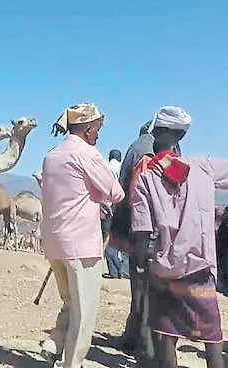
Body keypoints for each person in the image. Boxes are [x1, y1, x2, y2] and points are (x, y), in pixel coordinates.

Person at [131, 106, 226, 368]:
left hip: (165, 271)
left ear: (156, 132)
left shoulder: (145, 177)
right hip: (201, 268)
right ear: (181, 136)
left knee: (166, 336)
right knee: (212, 337)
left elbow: (141, 232)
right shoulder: (204, 167)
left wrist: (141, 265)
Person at [40, 103, 125, 368]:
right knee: (84, 310)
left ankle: (53, 344)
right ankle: (72, 363)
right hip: (81, 243)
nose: (98, 134)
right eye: (97, 129)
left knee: (70, 300)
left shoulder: (52, 155)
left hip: (54, 241)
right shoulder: (87, 154)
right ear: (88, 129)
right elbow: (115, 192)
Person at [110, 115, 185, 357]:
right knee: (151, 292)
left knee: (141, 290)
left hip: (144, 231)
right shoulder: (169, 155)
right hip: (162, 233)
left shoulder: (138, 148)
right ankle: (143, 343)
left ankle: (142, 344)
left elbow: (124, 188)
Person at [102, 149, 130, 279]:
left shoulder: (105, 168)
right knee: (123, 240)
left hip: (106, 207)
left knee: (108, 240)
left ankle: (113, 270)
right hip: (123, 207)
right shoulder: (123, 167)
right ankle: (124, 270)